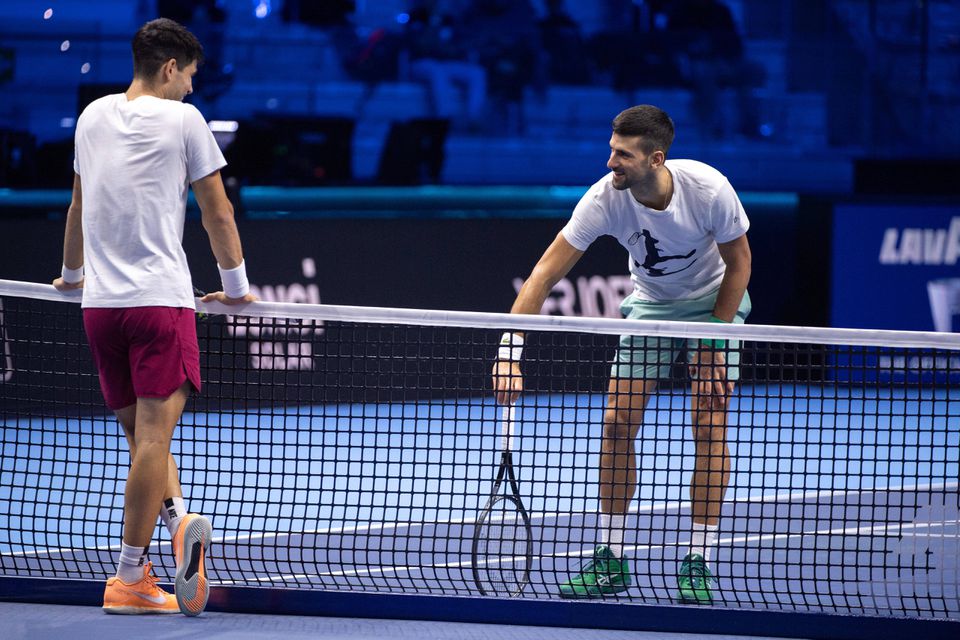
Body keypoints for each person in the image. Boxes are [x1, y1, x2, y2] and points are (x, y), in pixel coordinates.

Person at [491, 105, 751, 604]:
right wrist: (509, 349)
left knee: (709, 424)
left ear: (656, 158)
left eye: (623, 155)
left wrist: (716, 340)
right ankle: (610, 558)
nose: (612, 162)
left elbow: (740, 264)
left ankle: (699, 561)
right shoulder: (603, 199)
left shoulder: (709, 190)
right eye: (611, 150)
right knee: (615, 422)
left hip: (715, 302)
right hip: (651, 307)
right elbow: (545, 274)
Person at [52, 18, 256, 616]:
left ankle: (175, 519)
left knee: (143, 440)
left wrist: (68, 277)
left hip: (100, 310)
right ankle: (129, 577)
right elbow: (217, 211)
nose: (192, 88)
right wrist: (236, 286)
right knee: (152, 440)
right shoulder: (185, 120)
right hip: (159, 304)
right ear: (171, 67)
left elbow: (78, 204)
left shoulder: (91, 117)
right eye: (190, 75)